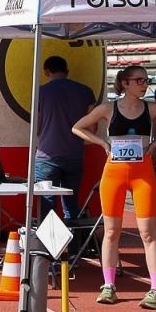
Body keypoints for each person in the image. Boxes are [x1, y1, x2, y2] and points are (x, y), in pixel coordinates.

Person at [71, 64, 156, 310]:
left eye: (146, 80)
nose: (145, 85)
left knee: (148, 233)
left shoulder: (153, 108)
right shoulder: (108, 109)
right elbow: (77, 127)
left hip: (142, 174)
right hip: (114, 173)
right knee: (111, 231)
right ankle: (109, 286)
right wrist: (102, 142)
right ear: (125, 83)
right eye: (140, 80)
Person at [33, 55, 96, 224]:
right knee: (71, 204)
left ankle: (49, 247)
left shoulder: (40, 92)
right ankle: (74, 246)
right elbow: (93, 128)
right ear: (67, 71)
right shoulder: (86, 91)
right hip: (74, 154)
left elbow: (36, 127)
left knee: (47, 204)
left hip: (47, 154)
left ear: (47, 72)